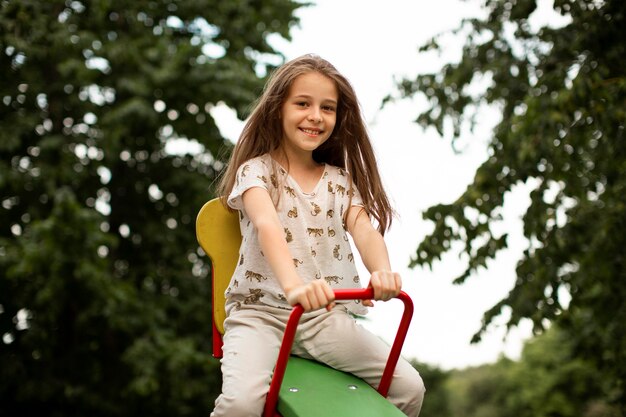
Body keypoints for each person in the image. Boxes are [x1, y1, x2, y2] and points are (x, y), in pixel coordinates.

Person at [212, 54, 425, 417]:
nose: (315, 116)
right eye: (303, 104)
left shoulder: (340, 181)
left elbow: (363, 227)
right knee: (241, 404)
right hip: (259, 313)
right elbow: (267, 225)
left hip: (319, 317)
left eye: (328, 108)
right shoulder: (257, 172)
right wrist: (294, 286)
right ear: (278, 109)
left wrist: (381, 271)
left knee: (407, 386)